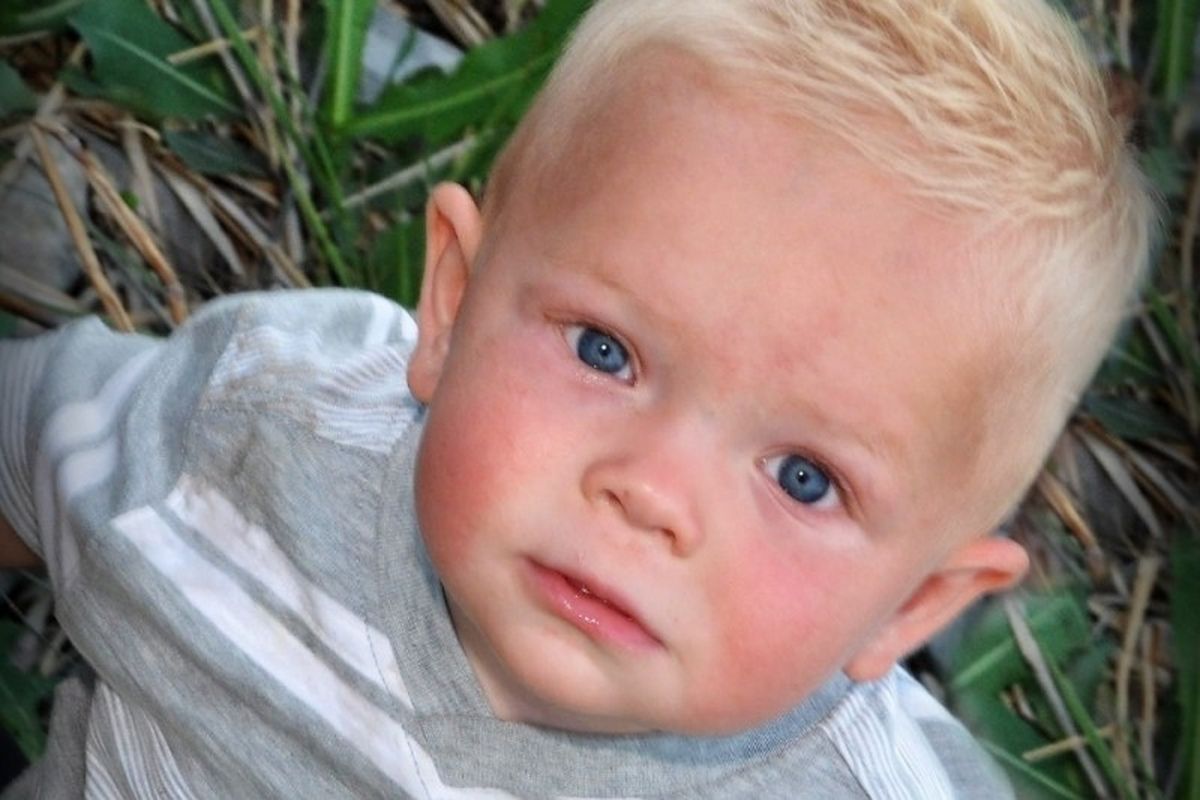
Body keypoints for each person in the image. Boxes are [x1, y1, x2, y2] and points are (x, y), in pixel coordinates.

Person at [0, 0, 1154, 797]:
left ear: (914, 605)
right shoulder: (250, 428)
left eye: (805, 477)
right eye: (606, 351)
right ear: (450, 304)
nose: (651, 491)